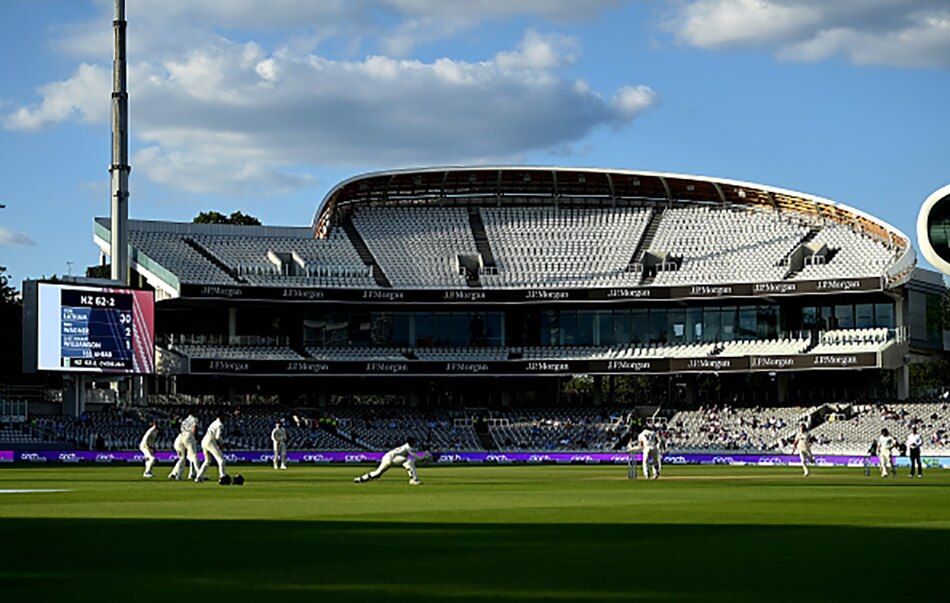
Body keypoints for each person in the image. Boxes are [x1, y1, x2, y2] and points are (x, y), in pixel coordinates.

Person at [354, 437, 422, 485]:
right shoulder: (408, 447)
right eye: (414, 442)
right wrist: (425, 457)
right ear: (411, 442)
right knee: (409, 461)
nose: (415, 443)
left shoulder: (405, 446)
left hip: (387, 457)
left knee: (377, 474)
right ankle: (413, 479)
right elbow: (417, 458)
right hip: (392, 458)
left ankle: (360, 479)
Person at [195, 415, 226, 483]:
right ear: (221, 417)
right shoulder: (220, 425)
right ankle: (222, 477)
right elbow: (217, 437)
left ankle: (198, 477)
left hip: (204, 441)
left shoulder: (213, 423)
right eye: (224, 417)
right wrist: (222, 444)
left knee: (207, 461)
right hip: (210, 442)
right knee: (221, 460)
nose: (225, 419)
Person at [168, 415, 200, 480]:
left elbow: (177, 426)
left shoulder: (185, 419)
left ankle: (175, 474)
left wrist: (173, 421)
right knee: (194, 456)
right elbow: (194, 428)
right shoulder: (194, 419)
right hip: (188, 435)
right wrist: (196, 437)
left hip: (180, 436)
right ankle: (199, 473)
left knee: (182, 458)